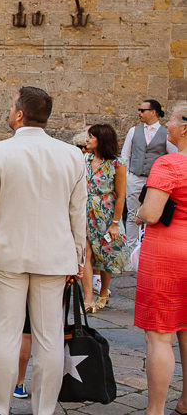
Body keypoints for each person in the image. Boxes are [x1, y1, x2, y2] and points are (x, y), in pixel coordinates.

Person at [0, 86, 87, 415]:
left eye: (12, 105)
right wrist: (79, 256)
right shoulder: (72, 155)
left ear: (19, 114)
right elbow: (77, 213)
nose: (9, 109)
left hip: (9, 255)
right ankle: (44, 409)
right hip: (55, 256)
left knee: (5, 336)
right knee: (49, 338)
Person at [133, 101, 187, 415]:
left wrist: (139, 215)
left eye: (173, 121)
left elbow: (152, 212)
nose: (167, 126)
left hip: (167, 252)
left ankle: (155, 410)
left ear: (184, 128)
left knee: (159, 335)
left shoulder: (169, 164)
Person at [82, 123, 128, 312]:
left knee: (106, 255)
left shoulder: (117, 164)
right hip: (85, 211)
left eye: (91, 137)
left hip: (107, 213)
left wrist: (115, 223)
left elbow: (120, 195)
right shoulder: (85, 158)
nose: (86, 140)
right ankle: (88, 298)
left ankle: (103, 291)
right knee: (86, 253)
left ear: (101, 141)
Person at [122, 99, 177, 253]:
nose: (139, 113)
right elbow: (125, 156)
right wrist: (127, 178)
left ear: (153, 112)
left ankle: (147, 248)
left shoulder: (166, 133)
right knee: (133, 214)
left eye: (142, 110)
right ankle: (131, 250)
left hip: (155, 182)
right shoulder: (133, 131)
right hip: (135, 178)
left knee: (152, 214)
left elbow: (172, 155)